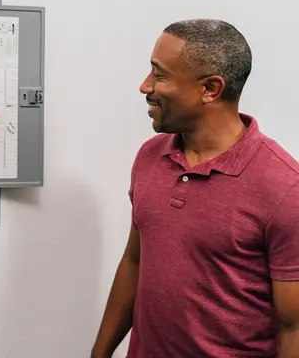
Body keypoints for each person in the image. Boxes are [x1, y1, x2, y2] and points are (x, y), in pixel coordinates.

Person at [91, 20, 299, 357]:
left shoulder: (285, 188)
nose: (146, 86)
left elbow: (294, 326)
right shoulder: (150, 156)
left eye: (159, 75)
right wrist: (99, 353)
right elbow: (134, 261)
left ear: (210, 89)